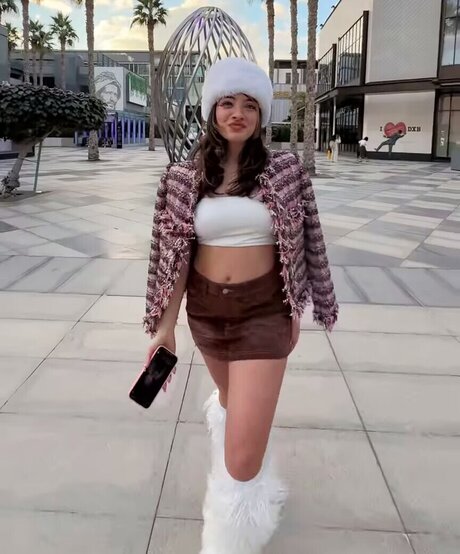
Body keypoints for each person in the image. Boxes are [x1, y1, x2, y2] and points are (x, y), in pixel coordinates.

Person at [143, 57, 338, 554]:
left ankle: (230, 540)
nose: (237, 113)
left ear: (261, 114)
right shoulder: (183, 177)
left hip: (264, 312)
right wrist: (164, 328)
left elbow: (306, 240)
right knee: (232, 409)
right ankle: (260, 489)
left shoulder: (285, 170)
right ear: (212, 110)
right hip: (207, 314)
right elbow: (173, 257)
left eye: (249, 105)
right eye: (227, 102)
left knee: (241, 459)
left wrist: (297, 305)